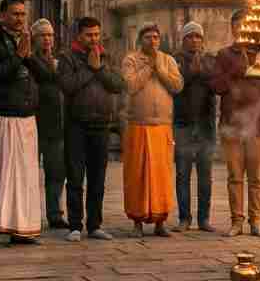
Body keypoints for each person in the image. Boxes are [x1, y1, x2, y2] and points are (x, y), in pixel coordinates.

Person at [0, 0, 49, 246]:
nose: (20, 18)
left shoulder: (26, 41)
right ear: (2, 16)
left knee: (26, 176)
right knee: (1, 174)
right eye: (15, 14)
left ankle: (22, 229)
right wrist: (19, 56)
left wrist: (29, 56)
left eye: (22, 14)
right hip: (3, 116)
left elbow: (44, 76)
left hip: (26, 117)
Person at [57, 16, 125, 242]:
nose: (94, 39)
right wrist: (90, 67)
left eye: (97, 34)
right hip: (76, 125)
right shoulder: (67, 58)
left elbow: (118, 84)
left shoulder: (106, 55)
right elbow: (68, 86)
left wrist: (100, 69)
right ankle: (75, 225)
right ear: (79, 35)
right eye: (89, 35)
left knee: (98, 178)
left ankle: (95, 225)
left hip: (101, 125)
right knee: (75, 177)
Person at [210, 8, 260, 238]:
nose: (242, 30)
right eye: (238, 26)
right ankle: (237, 221)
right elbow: (216, 86)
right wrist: (237, 71)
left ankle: (256, 221)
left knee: (256, 178)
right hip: (232, 124)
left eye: (246, 26)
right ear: (233, 29)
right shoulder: (224, 55)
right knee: (235, 176)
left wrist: (257, 70)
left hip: (257, 123)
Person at [121, 23, 183, 238]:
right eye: (148, 37)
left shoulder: (168, 60)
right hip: (138, 125)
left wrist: (160, 69)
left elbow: (177, 86)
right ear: (141, 40)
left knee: (162, 175)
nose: (153, 41)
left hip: (162, 127)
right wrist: (149, 68)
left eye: (156, 37)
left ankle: (160, 221)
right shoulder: (131, 60)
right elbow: (131, 86)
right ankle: (137, 221)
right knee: (137, 175)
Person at [171, 21, 216, 233]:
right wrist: (191, 72)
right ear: (183, 40)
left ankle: (204, 218)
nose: (194, 40)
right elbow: (175, 86)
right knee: (182, 174)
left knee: (205, 175)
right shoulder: (175, 60)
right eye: (190, 36)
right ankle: (184, 218)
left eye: (198, 36)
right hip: (183, 125)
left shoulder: (210, 61)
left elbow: (217, 85)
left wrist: (203, 72)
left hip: (205, 126)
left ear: (203, 40)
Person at [31, 19, 67, 230]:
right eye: (43, 35)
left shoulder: (58, 61)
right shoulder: (30, 59)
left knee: (56, 173)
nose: (47, 39)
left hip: (55, 125)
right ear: (34, 38)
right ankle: (31, 214)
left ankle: (55, 214)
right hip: (34, 124)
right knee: (30, 173)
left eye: (50, 35)